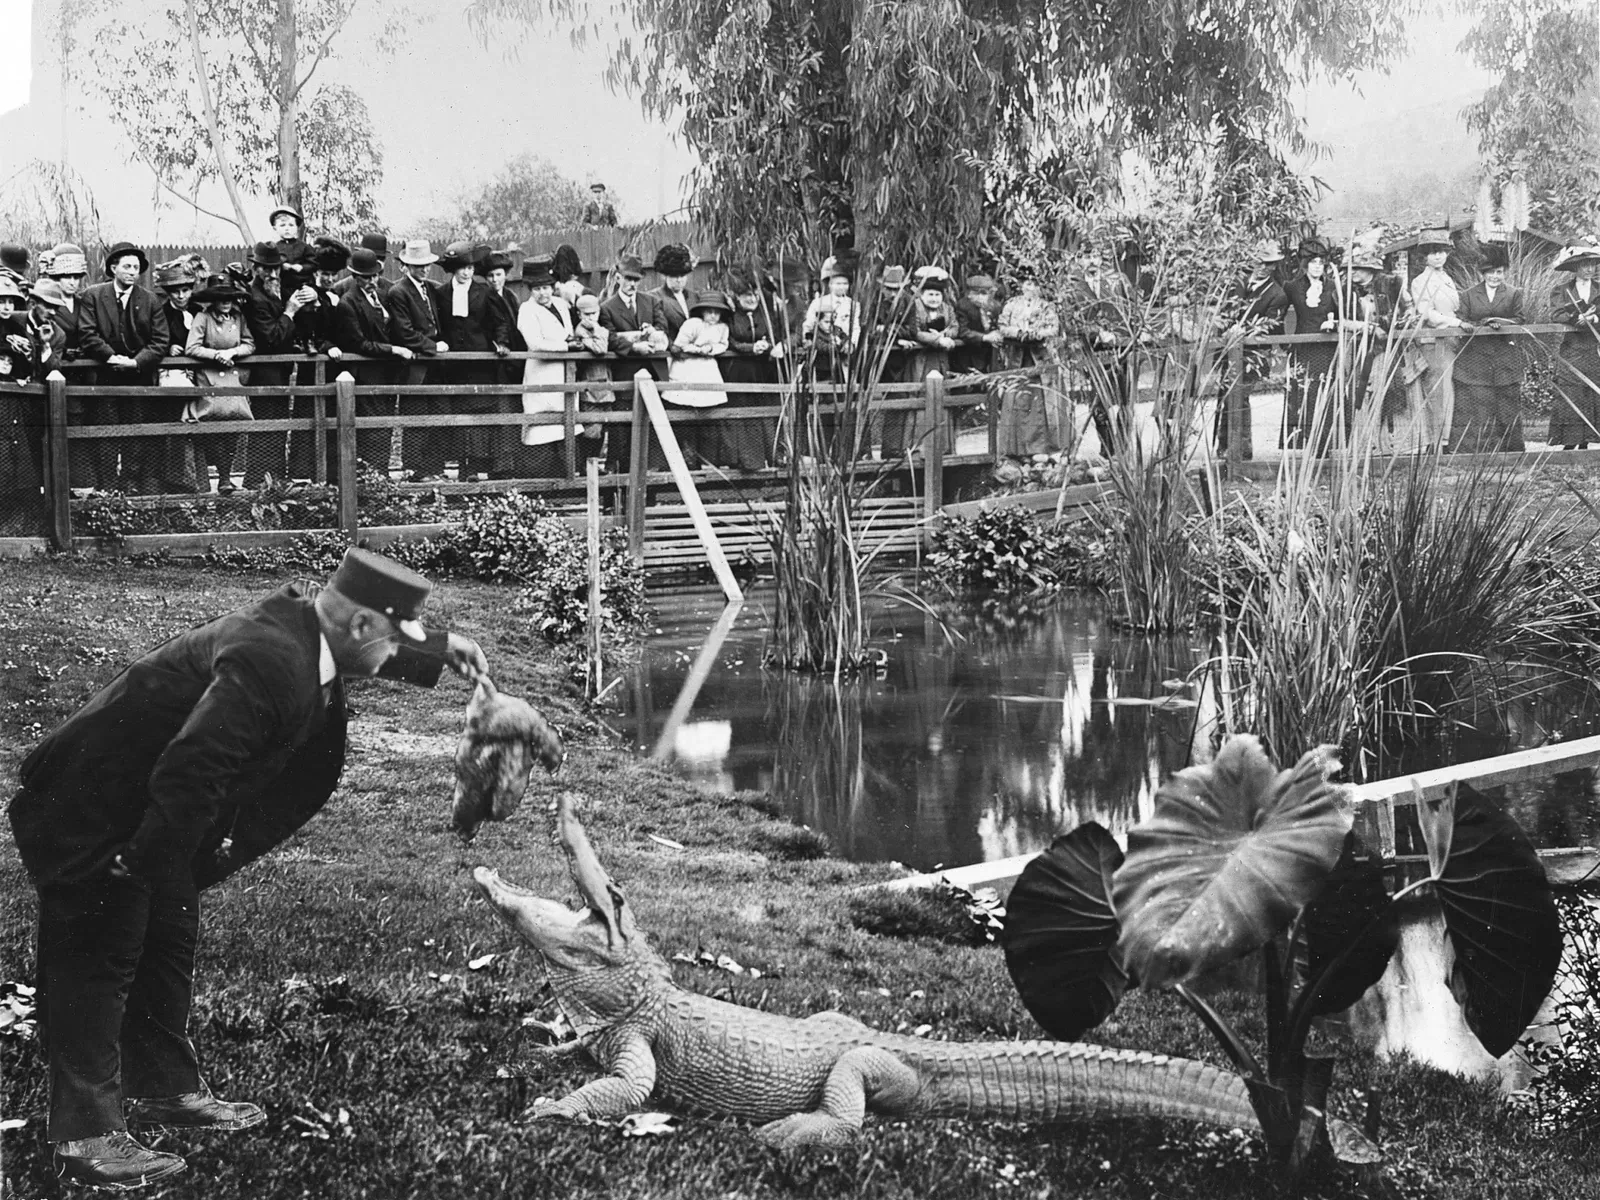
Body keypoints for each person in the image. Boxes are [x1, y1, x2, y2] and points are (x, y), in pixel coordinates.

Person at [8, 547, 488, 1191]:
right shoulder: (272, 660)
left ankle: (163, 1090)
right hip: (90, 808)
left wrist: (439, 646)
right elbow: (192, 769)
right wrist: (142, 867)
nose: (396, 654)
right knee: (97, 954)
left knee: (167, 939)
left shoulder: (306, 626)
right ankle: (85, 1131)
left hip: (150, 809)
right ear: (362, 627)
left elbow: (367, 639)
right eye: (396, 639)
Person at [76, 242, 169, 494]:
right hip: (104, 377)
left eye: (136, 268)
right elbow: (87, 333)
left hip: (138, 378)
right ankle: (106, 487)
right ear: (113, 268)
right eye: (127, 266)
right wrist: (110, 357)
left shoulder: (150, 300)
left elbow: (160, 340)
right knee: (105, 434)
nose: (132, 272)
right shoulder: (93, 296)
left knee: (135, 433)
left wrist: (136, 361)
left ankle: (130, 487)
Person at [333, 247, 414, 474]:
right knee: (370, 429)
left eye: (375, 276)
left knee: (384, 426)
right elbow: (361, 344)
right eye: (367, 277)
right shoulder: (348, 303)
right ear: (356, 278)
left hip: (386, 373)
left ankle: (380, 475)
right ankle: (368, 477)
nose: (372, 281)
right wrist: (395, 350)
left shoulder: (379, 297)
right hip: (365, 375)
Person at [434, 240, 509, 481]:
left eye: (471, 268)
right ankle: (463, 469)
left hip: (480, 365)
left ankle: (480, 468)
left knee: (481, 417)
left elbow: (501, 322)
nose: (468, 272)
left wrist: (501, 343)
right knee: (459, 418)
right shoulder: (441, 294)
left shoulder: (484, 292)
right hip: (453, 366)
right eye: (462, 268)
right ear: (454, 269)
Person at [241, 242, 312, 487]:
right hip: (264, 370)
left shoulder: (277, 289)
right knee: (267, 424)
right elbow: (271, 338)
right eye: (265, 269)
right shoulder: (255, 297)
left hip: (280, 369)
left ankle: (275, 478)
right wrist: (290, 312)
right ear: (255, 269)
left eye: (276, 269)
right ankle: (258, 480)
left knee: (279, 423)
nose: (272, 274)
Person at [1451, 242, 1527, 453]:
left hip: (1504, 356)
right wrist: (1480, 323)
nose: (1495, 276)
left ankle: (1511, 450)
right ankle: (1477, 450)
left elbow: (1520, 319)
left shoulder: (1514, 293)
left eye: (1499, 272)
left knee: (1506, 404)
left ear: (1504, 273)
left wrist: (1501, 323)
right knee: (1479, 403)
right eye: (1490, 272)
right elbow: (1462, 319)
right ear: (1483, 273)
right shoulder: (1468, 295)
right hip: (1476, 357)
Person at [184, 274, 256, 493]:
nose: (226, 302)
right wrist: (216, 355)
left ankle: (226, 478)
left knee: (233, 425)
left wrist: (233, 351)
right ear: (212, 299)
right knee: (213, 425)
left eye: (230, 298)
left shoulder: (238, 317)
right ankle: (220, 478)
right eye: (221, 297)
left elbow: (250, 343)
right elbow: (191, 348)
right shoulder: (202, 318)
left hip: (233, 377)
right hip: (210, 377)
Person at [1217, 239, 1289, 458]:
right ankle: (1224, 446)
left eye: (1267, 264)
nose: (1262, 267)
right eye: (1258, 262)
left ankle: (1242, 448)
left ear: (1274, 266)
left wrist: (1242, 332)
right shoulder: (1238, 283)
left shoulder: (1277, 295)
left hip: (1253, 355)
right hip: (1228, 351)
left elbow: (1267, 329)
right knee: (1226, 397)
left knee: (1240, 398)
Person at [599, 253, 668, 475]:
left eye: (636, 280)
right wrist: (633, 348)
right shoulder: (607, 307)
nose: (631, 284)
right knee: (622, 437)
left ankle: (649, 499)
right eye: (627, 279)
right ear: (618, 278)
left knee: (652, 437)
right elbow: (609, 338)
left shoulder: (652, 301)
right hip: (625, 379)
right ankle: (617, 498)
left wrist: (653, 333)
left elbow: (663, 329)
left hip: (653, 376)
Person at [386, 239, 448, 481]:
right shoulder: (398, 292)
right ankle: (414, 471)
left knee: (437, 417)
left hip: (435, 368)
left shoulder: (430, 289)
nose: (424, 269)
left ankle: (433, 469)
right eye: (418, 265)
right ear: (407, 266)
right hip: (415, 368)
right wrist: (433, 345)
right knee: (416, 420)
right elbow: (404, 331)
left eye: (427, 265)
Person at [884, 274, 962, 456]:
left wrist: (946, 335)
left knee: (942, 396)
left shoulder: (948, 309)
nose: (934, 299)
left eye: (937, 295)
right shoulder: (915, 307)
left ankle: (942, 445)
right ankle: (917, 445)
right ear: (921, 295)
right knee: (920, 396)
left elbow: (955, 327)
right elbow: (916, 332)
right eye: (930, 294)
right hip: (921, 360)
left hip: (941, 361)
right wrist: (937, 339)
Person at [1280, 237, 1343, 450]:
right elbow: (1276, 314)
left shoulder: (1334, 286)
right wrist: (1285, 343)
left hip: (1327, 348)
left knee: (1325, 392)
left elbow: (1345, 315)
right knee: (1304, 393)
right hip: (1303, 348)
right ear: (1304, 263)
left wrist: (1333, 324)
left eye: (1321, 262)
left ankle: (1324, 445)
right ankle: (1304, 442)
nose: (1317, 266)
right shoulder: (1292, 287)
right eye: (1313, 262)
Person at [514, 261, 576, 478]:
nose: (543, 293)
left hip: (564, 373)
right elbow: (535, 343)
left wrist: (572, 341)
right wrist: (567, 347)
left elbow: (568, 332)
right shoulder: (527, 310)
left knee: (565, 423)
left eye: (547, 287)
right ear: (530, 290)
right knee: (542, 428)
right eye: (538, 289)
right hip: (541, 373)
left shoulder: (560, 305)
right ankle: (540, 484)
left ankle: (565, 482)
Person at [720, 272, 786, 468]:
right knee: (745, 415)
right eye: (745, 295)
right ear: (737, 297)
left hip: (765, 371)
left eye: (754, 294)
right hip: (740, 372)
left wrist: (772, 345)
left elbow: (780, 333)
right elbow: (729, 340)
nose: (751, 299)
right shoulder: (730, 316)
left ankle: (774, 457)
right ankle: (749, 462)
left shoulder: (767, 314)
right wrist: (750, 348)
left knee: (767, 413)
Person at [996, 270, 1063, 457]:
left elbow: (1053, 328)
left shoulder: (1047, 306)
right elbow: (1002, 326)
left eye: (1034, 284)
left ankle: (1044, 449)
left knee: (1041, 401)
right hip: (1018, 358)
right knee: (1018, 399)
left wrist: (1037, 333)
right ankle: (1016, 450)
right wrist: (1018, 332)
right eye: (1027, 284)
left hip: (1040, 358)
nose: (1030, 288)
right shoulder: (1011, 305)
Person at [1407, 229, 1464, 447]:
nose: (1438, 256)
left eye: (1441, 251)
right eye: (1432, 253)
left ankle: (1447, 438)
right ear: (1425, 257)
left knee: (1448, 388)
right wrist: (1456, 323)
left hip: (1450, 340)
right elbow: (1426, 313)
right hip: (1434, 342)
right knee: (1438, 390)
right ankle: (1439, 441)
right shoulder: (1420, 281)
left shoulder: (1447, 278)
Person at [150, 263, 204, 493]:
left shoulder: (199, 311)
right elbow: (153, 339)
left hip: (198, 376)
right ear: (168, 292)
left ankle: (199, 482)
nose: (181, 296)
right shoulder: (161, 312)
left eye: (186, 290)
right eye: (175, 291)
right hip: (173, 377)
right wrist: (167, 348)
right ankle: (174, 482)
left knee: (198, 425)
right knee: (174, 426)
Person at [662, 290, 732, 464]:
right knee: (686, 408)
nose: (713, 316)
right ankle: (685, 454)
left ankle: (702, 457)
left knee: (706, 411)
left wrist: (710, 349)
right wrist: (697, 349)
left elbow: (723, 345)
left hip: (708, 368)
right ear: (702, 311)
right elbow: (679, 345)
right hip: (688, 367)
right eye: (709, 311)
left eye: (717, 312)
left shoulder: (723, 327)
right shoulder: (693, 324)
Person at [1547, 245, 1600, 449]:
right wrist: (1575, 317)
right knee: (1571, 392)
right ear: (1576, 267)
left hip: (1595, 349)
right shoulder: (1562, 290)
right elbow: (1555, 314)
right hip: (1573, 349)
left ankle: (1587, 442)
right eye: (1585, 265)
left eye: (1592, 265)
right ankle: (1569, 443)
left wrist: (1595, 318)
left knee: (1591, 392)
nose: (1589, 269)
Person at [483, 251, 528, 479]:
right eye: (490, 275)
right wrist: (498, 344)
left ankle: (514, 464)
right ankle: (500, 466)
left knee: (514, 409)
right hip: (495, 363)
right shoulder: (483, 297)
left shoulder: (511, 297)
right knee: (500, 412)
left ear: (506, 275)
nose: (494, 279)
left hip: (513, 363)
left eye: (498, 274)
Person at [651, 244, 697, 340]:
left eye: (683, 275)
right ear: (664, 276)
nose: (679, 280)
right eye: (674, 276)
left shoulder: (695, 297)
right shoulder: (654, 297)